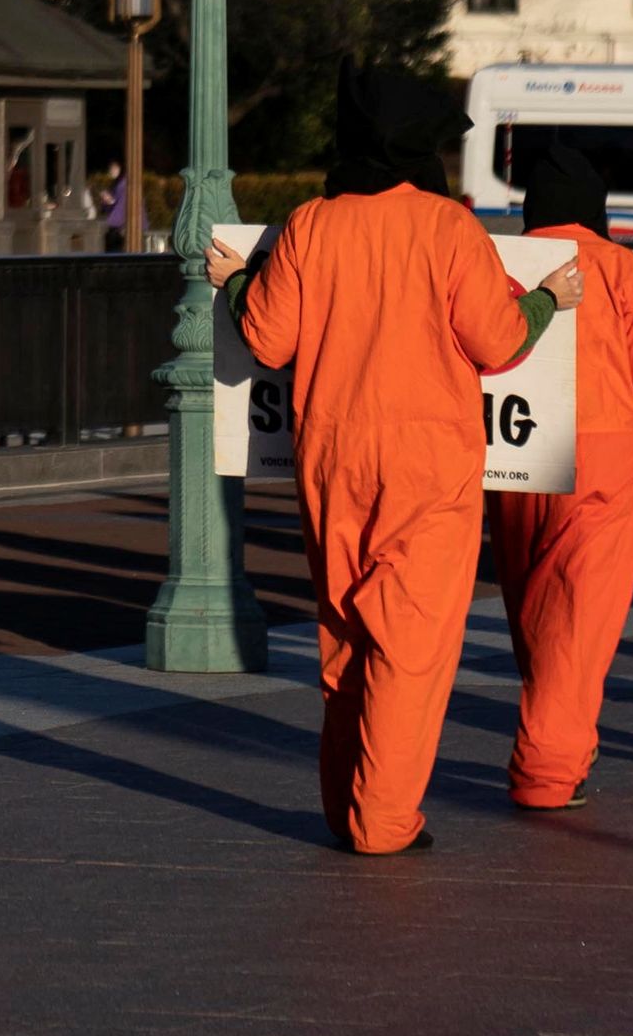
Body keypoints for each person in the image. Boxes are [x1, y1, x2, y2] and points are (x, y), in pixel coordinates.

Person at [217, 59, 573, 856]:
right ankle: (382, 820)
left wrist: (239, 284)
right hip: (428, 463)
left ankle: (347, 804)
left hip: (331, 455)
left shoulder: (312, 222)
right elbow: (500, 341)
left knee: (345, 635)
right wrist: (548, 301)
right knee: (411, 647)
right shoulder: (449, 229)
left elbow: (267, 336)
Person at [491, 138, 633, 810]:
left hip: (514, 451)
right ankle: (548, 764)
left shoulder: (504, 259)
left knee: (532, 598)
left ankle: (559, 722)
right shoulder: (620, 266)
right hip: (601, 452)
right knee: (582, 611)